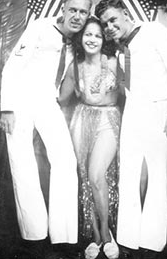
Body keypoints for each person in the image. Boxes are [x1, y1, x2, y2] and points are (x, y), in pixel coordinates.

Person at [0, 0, 92, 258]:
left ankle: (62, 236)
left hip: (47, 103)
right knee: (23, 164)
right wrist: (7, 108)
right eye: (73, 10)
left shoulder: (78, 40)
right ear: (63, 9)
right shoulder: (40, 26)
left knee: (65, 160)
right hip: (20, 101)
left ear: (88, 15)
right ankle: (34, 235)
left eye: (83, 12)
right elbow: (12, 66)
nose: (77, 16)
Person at [95, 0, 167, 259]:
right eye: (105, 24)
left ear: (125, 14)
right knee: (129, 174)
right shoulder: (119, 48)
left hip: (160, 111)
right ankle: (127, 237)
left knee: (157, 175)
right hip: (133, 113)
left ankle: (152, 241)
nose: (110, 27)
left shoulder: (155, 31)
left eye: (113, 19)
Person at [58, 16, 123, 259]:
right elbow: (62, 99)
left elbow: (131, 94)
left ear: (103, 38)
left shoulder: (115, 63)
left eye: (97, 34)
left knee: (97, 174)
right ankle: (95, 236)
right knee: (86, 178)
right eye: (87, 34)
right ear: (80, 38)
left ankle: (107, 235)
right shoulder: (74, 66)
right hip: (82, 118)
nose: (92, 39)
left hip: (108, 119)